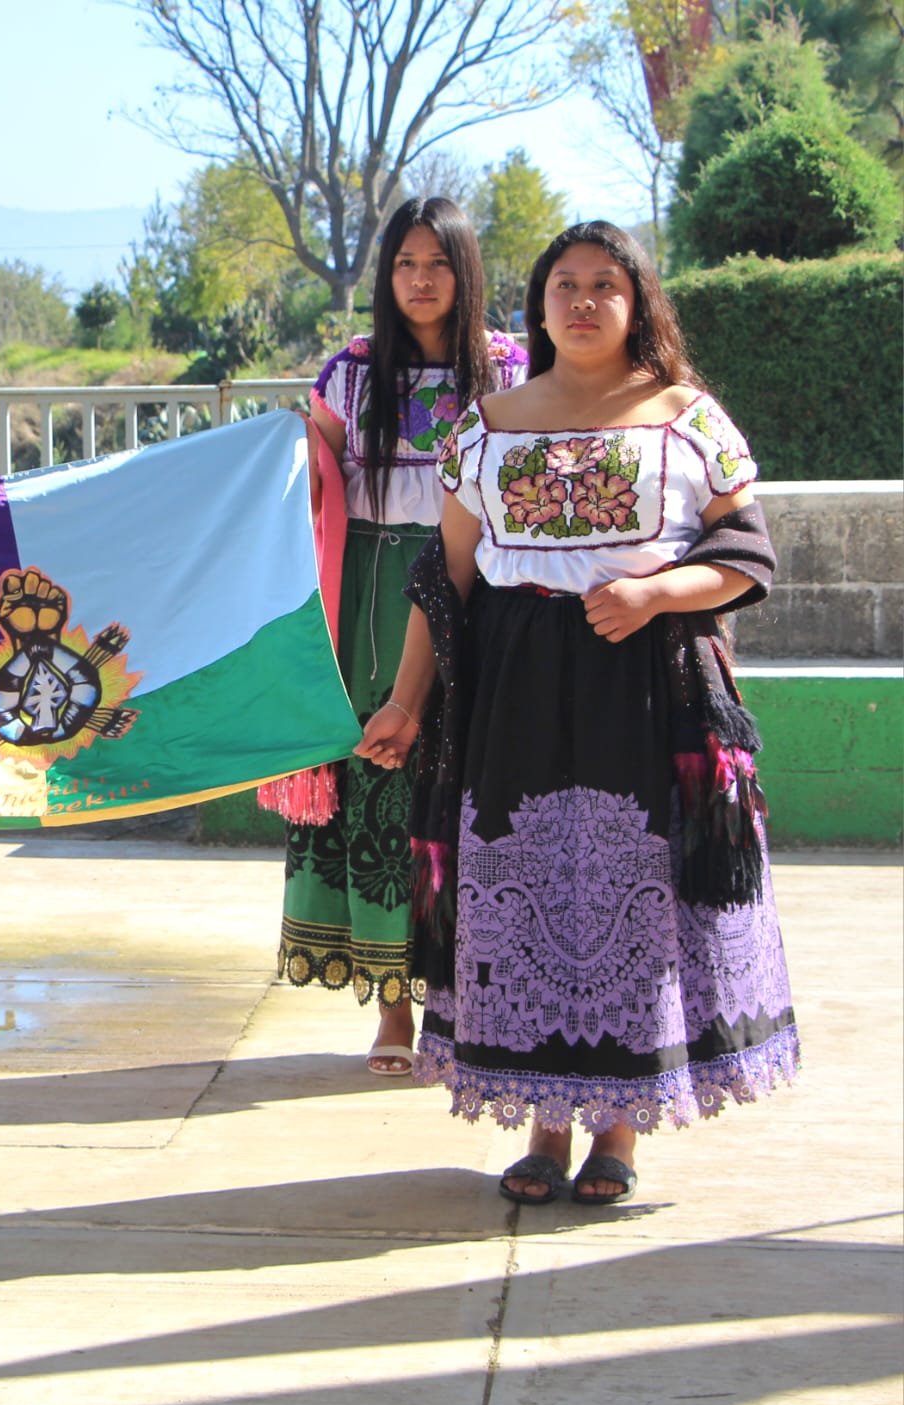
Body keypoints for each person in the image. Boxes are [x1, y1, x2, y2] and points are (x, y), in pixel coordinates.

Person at [359, 221, 798, 1203]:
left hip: (645, 684)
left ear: (638, 301)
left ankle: (617, 1134)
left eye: (607, 283)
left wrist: (653, 594)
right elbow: (448, 579)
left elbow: (746, 557)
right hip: (514, 688)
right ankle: (540, 1129)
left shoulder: (687, 419)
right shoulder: (487, 424)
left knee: (625, 894)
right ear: (539, 301)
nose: (585, 300)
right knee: (525, 892)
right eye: (566, 283)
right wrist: (402, 701)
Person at [271, 197, 527, 1075]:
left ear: (467, 271)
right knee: (384, 777)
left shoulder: (514, 369)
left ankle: (475, 1002)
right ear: (387, 276)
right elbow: (307, 474)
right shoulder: (349, 374)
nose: (421, 280)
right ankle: (391, 1009)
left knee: (468, 781)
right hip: (375, 594)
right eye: (405, 264)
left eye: (438, 263)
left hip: (482, 589)